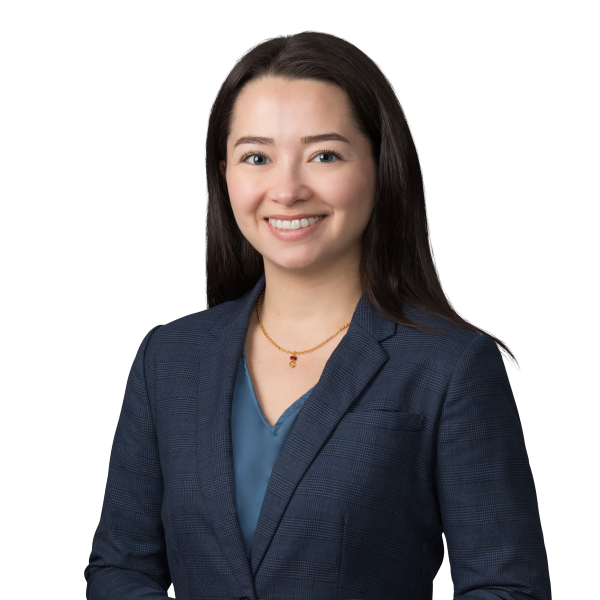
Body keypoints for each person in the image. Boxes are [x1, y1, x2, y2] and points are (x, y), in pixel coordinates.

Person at [84, 30, 551, 600]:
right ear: (224, 174)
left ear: (380, 166)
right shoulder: (168, 359)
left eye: (324, 155)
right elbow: (121, 569)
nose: (286, 190)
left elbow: (507, 588)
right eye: (256, 157)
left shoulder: (449, 368)